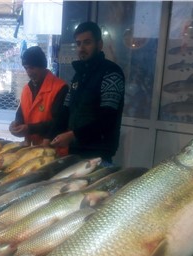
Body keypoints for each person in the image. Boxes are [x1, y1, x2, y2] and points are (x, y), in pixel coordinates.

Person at [51, 21, 125, 165]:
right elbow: (65, 110)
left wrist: (73, 135)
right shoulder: (79, 75)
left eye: (87, 42)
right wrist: (50, 137)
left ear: (99, 44)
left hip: (98, 156)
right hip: (75, 152)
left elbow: (107, 119)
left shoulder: (111, 73)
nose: (81, 48)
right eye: (78, 44)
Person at [9, 46, 68, 149]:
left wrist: (30, 128)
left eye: (32, 67)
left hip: (53, 149)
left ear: (42, 66)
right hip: (33, 148)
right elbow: (21, 112)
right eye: (26, 68)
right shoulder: (27, 89)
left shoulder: (60, 88)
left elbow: (59, 122)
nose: (29, 72)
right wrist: (17, 123)